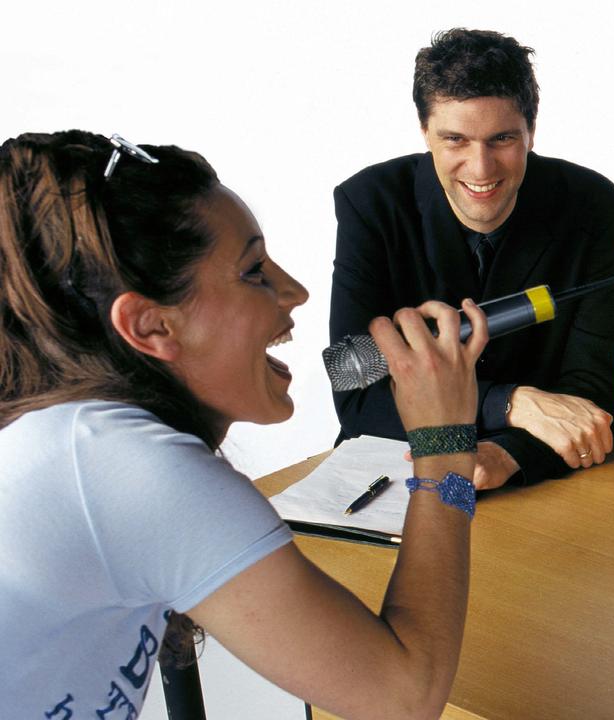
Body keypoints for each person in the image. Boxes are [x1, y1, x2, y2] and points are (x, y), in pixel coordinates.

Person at [0, 130, 487, 719]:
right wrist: (445, 445)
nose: (296, 291)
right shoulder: (125, 465)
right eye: (254, 270)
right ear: (152, 326)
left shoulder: (76, 435)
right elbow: (401, 699)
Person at [331, 28, 614, 490]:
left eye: (502, 139)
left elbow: (596, 392)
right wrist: (510, 403)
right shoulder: (368, 204)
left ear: (531, 130)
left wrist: (509, 453)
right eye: (455, 140)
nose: (481, 168)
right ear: (424, 132)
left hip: (544, 478)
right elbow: (355, 394)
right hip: (393, 473)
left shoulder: (594, 206)